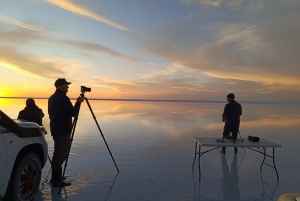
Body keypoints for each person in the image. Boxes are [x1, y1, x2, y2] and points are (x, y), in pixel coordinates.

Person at [48, 78, 84, 187]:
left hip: (56, 128)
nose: (68, 86)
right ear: (60, 85)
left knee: (58, 153)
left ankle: (56, 178)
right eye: (66, 85)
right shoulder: (62, 98)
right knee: (60, 154)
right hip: (62, 130)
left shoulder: (52, 98)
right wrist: (78, 103)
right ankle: (56, 181)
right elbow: (72, 112)